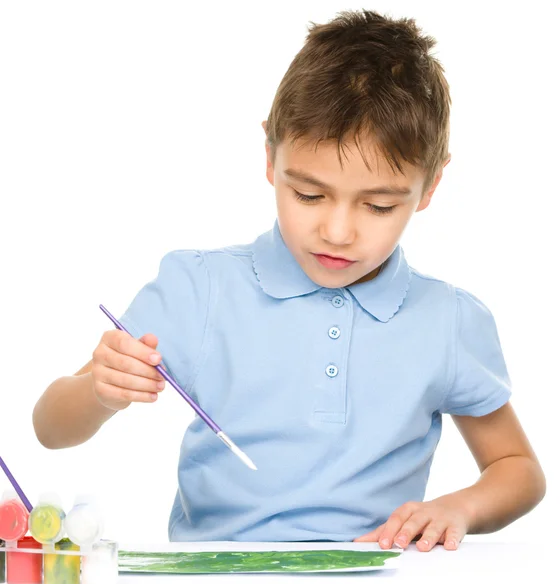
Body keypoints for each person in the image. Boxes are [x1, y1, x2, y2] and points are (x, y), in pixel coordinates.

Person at [32, 9, 545, 551]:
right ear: (271, 157)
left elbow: (518, 470)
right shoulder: (200, 287)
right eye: (309, 195)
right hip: (217, 583)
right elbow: (51, 426)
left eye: (377, 205)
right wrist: (99, 391)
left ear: (431, 186)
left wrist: (457, 508)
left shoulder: (448, 320)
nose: (337, 231)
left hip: (376, 582)